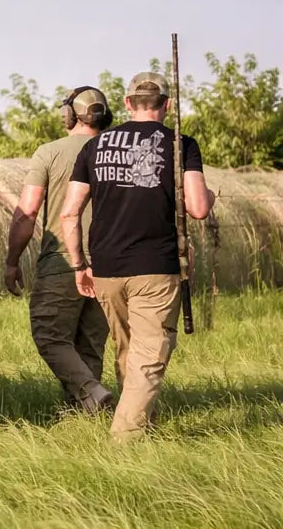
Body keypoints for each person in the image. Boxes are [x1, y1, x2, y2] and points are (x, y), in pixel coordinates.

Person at [60, 71, 216, 441]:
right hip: (156, 267)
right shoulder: (181, 143)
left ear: (128, 104)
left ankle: (147, 428)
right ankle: (123, 441)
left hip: (107, 268)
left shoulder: (93, 147)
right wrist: (209, 197)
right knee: (150, 354)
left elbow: (70, 213)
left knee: (129, 351)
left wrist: (79, 264)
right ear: (166, 105)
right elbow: (197, 208)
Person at [4, 86, 114, 413]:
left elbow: (28, 211)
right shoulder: (116, 152)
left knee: (49, 336)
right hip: (110, 265)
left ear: (69, 114)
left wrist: (12, 261)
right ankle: (84, 414)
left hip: (63, 263)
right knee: (90, 346)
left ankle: (92, 393)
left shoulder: (50, 152)